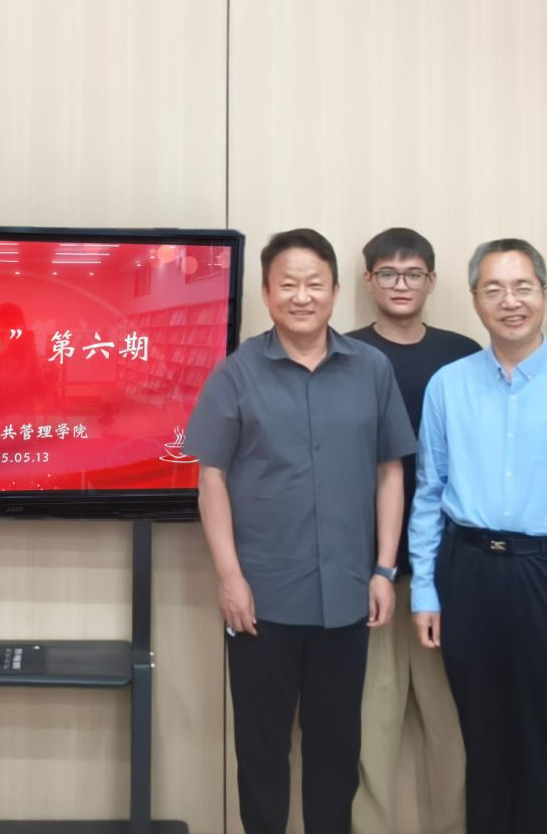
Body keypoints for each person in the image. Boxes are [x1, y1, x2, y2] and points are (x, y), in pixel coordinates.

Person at [190, 228, 417, 834]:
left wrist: (384, 568)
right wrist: (230, 578)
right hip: (260, 599)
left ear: (336, 291)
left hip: (346, 594)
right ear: (266, 293)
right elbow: (211, 480)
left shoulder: (371, 369)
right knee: (262, 751)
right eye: (287, 284)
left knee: (336, 752)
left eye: (314, 284)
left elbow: (389, 471)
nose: (301, 296)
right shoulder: (236, 374)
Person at [408, 238, 547, 834]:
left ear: (544, 293)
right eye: (494, 290)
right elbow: (429, 493)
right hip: (469, 570)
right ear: (475, 299)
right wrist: (425, 590)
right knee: (482, 743)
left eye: (522, 288)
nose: (510, 302)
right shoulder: (447, 386)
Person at [347, 228, 478, 834]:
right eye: (388, 273)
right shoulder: (345, 353)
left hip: (450, 569)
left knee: (452, 723)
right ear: (368, 280)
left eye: (413, 273)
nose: (401, 284)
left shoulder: (464, 355)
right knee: (371, 722)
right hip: (367, 569)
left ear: (432, 280)